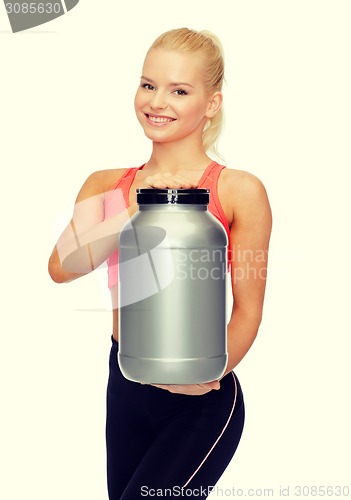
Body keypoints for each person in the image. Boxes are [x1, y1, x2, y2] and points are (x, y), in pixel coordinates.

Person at [48, 27, 272, 499]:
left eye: (179, 90)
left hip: (200, 401)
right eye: (149, 85)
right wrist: (135, 206)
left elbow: (248, 310)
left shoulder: (238, 190)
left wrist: (205, 375)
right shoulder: (107, 183)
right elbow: (62, 265)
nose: (158, 101)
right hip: (125, 383)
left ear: (211, 103)